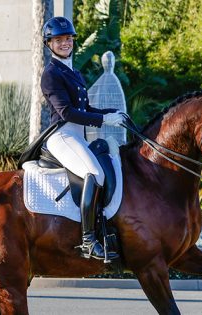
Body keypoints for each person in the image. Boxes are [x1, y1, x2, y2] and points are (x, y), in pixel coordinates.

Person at [40, 16, 124, 260]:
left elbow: (86, 109)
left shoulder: (74, 72)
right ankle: (88, 240)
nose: (65, 43)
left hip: (78, 136)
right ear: (49, 44)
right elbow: (67, 112)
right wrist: (103, 121)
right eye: (59, 40)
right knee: (95, 173)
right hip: (62, 135)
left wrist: (111, 114)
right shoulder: (51, 74)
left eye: (68, 38)